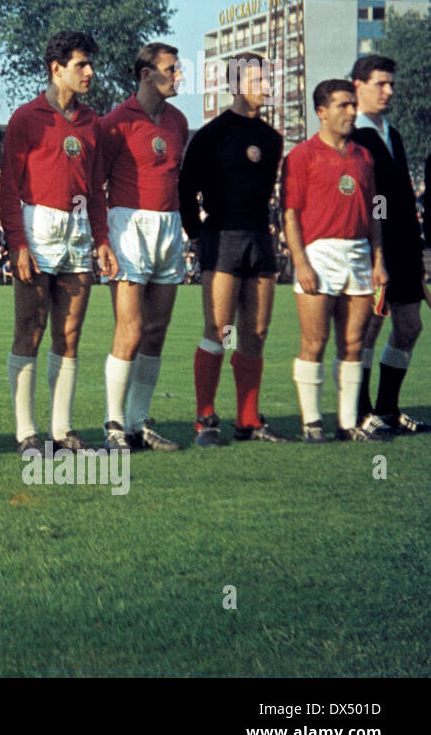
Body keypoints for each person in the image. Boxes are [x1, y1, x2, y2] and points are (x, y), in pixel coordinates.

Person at [0, 31, 117, 455]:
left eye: (91, 64)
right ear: (56, 69)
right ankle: (26, 430)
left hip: (79, 231)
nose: (90, 72)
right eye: (81, 64)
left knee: (69, 334)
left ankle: (62, 429)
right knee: (30, 330)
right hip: (38, 229)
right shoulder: (26, 118)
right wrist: (18, 243)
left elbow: (97, 188)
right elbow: (9, 187)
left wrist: (101, 239)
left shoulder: (92, 123)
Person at [178, 51, 289, 444]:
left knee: (255, 331)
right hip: (223, 239)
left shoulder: (271, 139)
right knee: (222, 329)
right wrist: (198, 232)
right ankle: (205, 420)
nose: (266, 88)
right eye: (259, 80)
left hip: (260, 239)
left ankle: (248, 420)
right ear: (238, 84)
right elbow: (185, 187)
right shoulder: (211, 134)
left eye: (267, 80)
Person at [282, 80, 387, 441]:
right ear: (321, 112)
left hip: (359, 252)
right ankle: (312, 423)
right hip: (319, 253)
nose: (352, 112)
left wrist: (378, 259)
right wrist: (301, 263)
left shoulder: (364, 155)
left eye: (353, 105)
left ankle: (347, 423)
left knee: (354, 342)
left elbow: (376, 209)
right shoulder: (301, 156)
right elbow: (291, 214)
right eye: (343, 106)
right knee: (314, 341)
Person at [95, 43, 186, 452]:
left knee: (156, 331)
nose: (179, 75)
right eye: (171, 69)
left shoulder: (178, 122)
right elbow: (96, 186)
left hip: (170, 226)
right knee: (129, 330)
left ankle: (138, 423)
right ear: (147, 74)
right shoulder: (115, 122)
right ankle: (114, 424)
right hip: (129, 225)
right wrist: (101, 239)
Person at [349, 55, 427, 435]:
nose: (389, 90)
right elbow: (372, 199)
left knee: (410, 326)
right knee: (369, 328)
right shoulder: (352, 136)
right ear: (358, 85)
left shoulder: (391, 133)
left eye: (391, 83)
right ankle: (362, 412)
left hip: (406, 246)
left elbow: (399, 196)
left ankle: (389, 409)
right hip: (372, 246)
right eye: (381, 83)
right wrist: (374, 240)